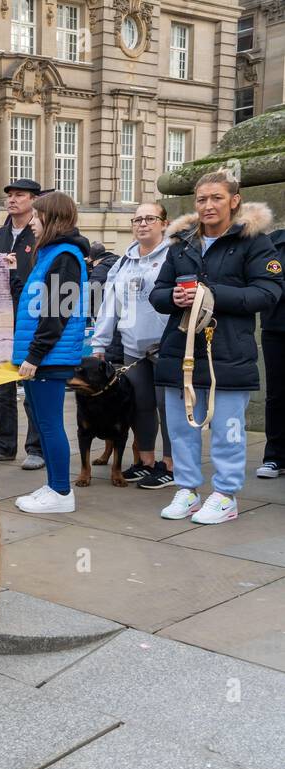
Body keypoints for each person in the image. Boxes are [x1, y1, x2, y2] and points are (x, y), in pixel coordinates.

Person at [151, 170, 282, 524]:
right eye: (202, 199)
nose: (208, 205)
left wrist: (211, 294)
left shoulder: (255, 241)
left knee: (228, 429)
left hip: (230, 351)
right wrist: (173, 297)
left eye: (216, 198)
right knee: (181, 429)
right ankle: (188, 489)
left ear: (234, 201)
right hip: (181, 350)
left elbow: (268, 292)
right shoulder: (181, 242)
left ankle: (225, 495)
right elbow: (158, 292)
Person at [12, 191, 91, 514]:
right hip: (44, 355)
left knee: (50, 424)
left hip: (49, 357)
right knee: (44, 424)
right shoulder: (50, 253)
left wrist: (35, 355)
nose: (31, 222)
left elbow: (55, 312)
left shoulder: (65, 257)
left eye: (36, 216)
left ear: (51, 218)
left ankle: (61, 492)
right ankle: (54, 484)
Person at [90, 202, 174, 488]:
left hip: (167, 346)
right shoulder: (123, 262)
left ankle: (171, 465)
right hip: (133, 346)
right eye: (137, 219)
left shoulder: (174, 255)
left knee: (169, 407)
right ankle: (145, 461)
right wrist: (99, 343)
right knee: (141, 405)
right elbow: (109, 305)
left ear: (164, 223)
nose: (143, 224)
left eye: (150, 218)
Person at [0, 178, 45, 469]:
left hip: (29, 318)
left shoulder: (41, 234)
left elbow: (43, 278)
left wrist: (16, 271)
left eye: (20, 195)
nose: (12, 200)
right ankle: (3, 443)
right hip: (0, 319)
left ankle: (36, 448)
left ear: (33, 200)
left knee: (31, 386)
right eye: (10, 195)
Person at [259, 224, 285, 480]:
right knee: (277, 394)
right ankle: (275, 457)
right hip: (277, 329)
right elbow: (269, 286)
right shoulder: (273, 244)